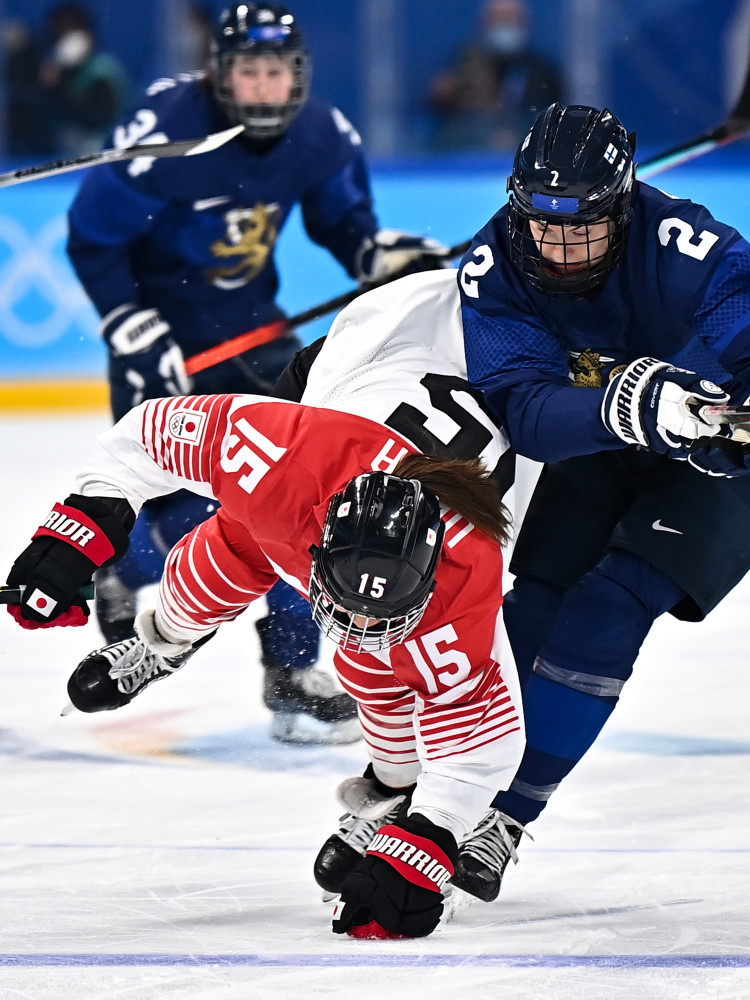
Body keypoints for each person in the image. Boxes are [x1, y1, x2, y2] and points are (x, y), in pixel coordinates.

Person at [2, 389, 524, 940]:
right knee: (210, 573)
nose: (361, 627)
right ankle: (163, 644)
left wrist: (429, 836)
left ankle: (392, 792)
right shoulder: (281, 459)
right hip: (304, 481)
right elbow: (146, 434)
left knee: (378, 670)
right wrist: (81, 524)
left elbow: (476, 727)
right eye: (349, 605)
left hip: (352, 495)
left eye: (381, 612)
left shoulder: (466, 571)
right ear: (320, 544)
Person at [65, 2, 448, 745]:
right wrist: (126, 320)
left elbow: (348, 229)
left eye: (276, 71)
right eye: (249, 71)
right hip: (162, 337)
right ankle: (129, 567)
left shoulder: (321, 135)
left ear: (297, 74)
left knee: (296, 491)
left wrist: (381, 260)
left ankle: (292, 670)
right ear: (221, 73)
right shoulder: (164, 130)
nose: (264, 86)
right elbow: (92, 238)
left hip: (254, 331)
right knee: (194, 519)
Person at [452, 101, 750, 902]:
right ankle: (451, 787)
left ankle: (506, 816)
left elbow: (742, 322)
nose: (558, 249)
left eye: (581, 229)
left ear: (623, 208)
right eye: (543, 226)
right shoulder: (494, 262)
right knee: (534, 600)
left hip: (719, 463)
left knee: (610, 608)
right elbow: (523, 407)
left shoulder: (686, 245)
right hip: (611, 429)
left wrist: (710, 393)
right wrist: (633, 405)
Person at [428, 0, 563, 153]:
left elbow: (554, 123)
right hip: (471, 154)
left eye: (511, 19)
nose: (505, 25)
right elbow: (443, 117)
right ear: (484, 23)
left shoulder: (544, 72)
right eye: (499, 19)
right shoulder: (464, 63)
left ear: (525, 24)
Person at [39, 2, 130, 155]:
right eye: (62, 30)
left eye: (73, 29)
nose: (68, 37)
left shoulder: (103, 70)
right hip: (62, 157)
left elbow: (94, 119)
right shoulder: (52, 71)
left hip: (104, 153)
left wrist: (59, 86)